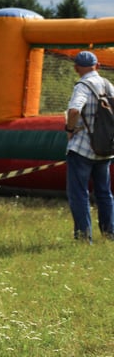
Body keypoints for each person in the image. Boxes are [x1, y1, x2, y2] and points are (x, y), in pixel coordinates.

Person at [64, 50, 114, 242]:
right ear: (98, 66)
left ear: (76, 68)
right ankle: (110, 234)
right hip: (105, 149)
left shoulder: (83, 86)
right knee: (104, 193)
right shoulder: (108, 85)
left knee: (79, 194)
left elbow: (74, 110)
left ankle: (84, 238)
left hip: (82, 150)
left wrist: (70, 129)